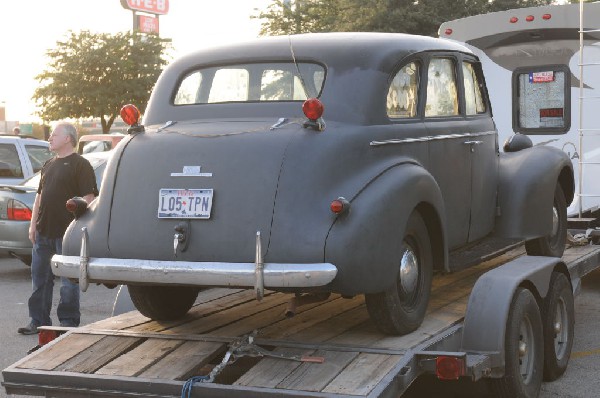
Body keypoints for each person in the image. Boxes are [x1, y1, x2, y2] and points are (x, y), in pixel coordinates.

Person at [18, 122, 98, 335]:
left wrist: (78, 217)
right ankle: (38, 320)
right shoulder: (48, 164)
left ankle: (68, 324)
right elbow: (39, 197)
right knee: (40, 279)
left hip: (68, 234)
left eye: (54, 135)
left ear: (68, 139)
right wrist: (33, 225)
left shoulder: (80, 164)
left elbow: (89, 197)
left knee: (68, 283)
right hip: (43, 232)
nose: (50, 138)